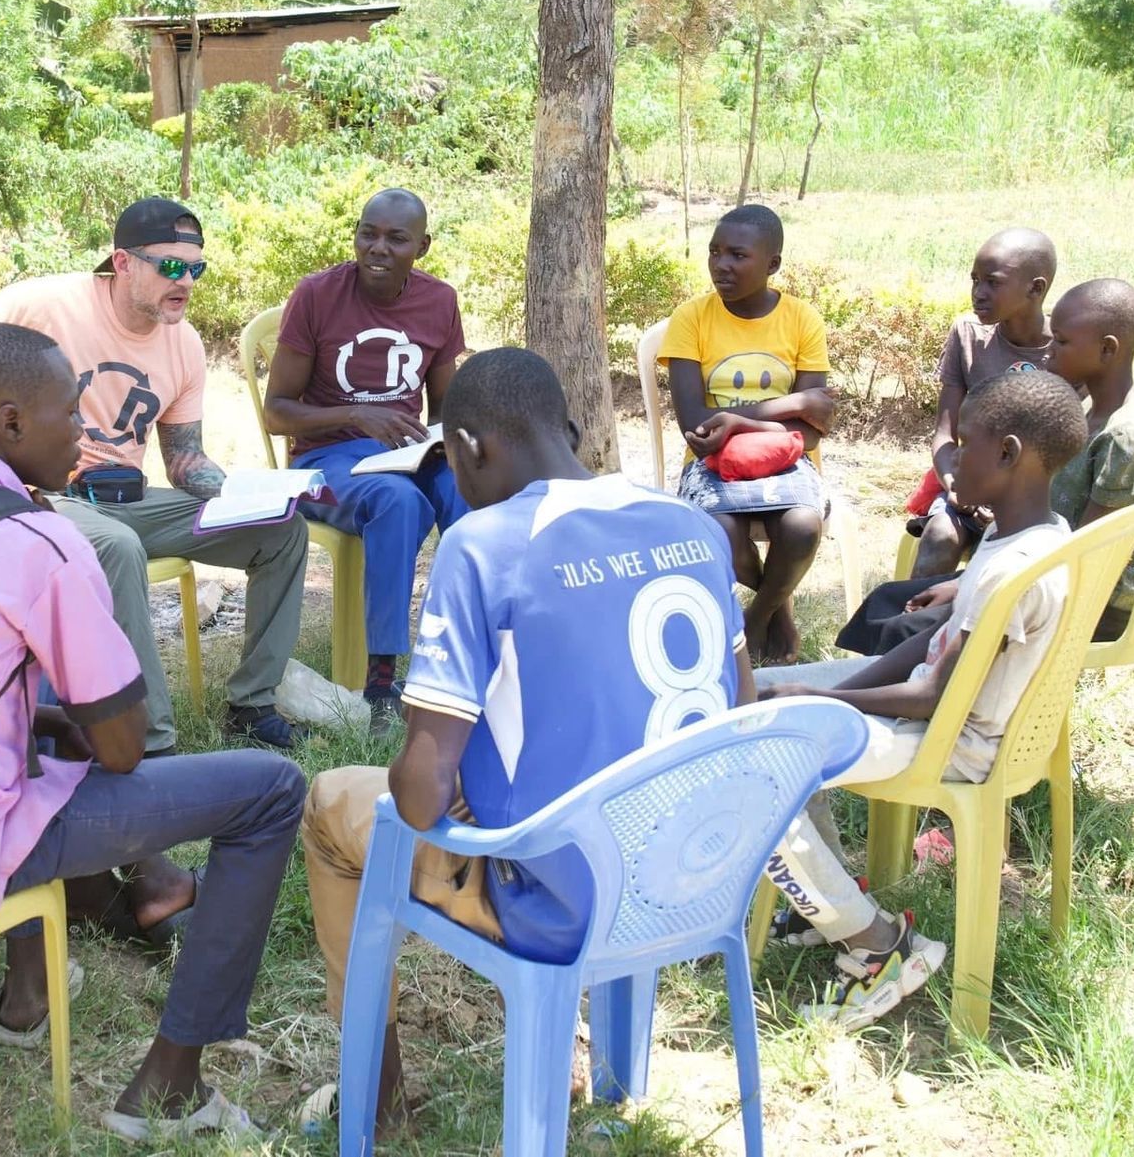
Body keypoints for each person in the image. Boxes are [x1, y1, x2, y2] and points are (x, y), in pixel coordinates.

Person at [0, 322, 306, 1141]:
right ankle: (169, 1087)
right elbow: (124, 749)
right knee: (270, 790)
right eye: (72, 414)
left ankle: (29, 996)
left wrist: (52, 717)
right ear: (12, 422)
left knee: (39, 727)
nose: (88, 434)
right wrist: (87, 717)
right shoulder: (43, 542)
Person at [298, 347, 755, 1137]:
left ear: (470, 447)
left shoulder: (482, 545)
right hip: (694, 873)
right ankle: (617, 1076)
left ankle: (376, 1100)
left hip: (551, 899)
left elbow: (420, 796)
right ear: (569, 428)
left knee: (332, 805)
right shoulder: (696, 525)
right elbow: (740, 704)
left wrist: (439, 736)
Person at [0, 199, 310, 751]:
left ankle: (253, 705)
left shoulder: (182, 342)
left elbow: (184, 458)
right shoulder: (49, 305)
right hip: (42, 494)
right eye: (170, 266)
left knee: (281, 532)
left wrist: (250, 496)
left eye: (195, 268)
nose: (185, 280)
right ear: (123, 262)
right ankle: (153, 741)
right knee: (116, 546)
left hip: (127, 496)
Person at [755, 369, 1087, 1030]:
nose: (950, 460)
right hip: (935, 714)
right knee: (761, 694)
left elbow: (933, 695)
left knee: (757, 755)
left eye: (964, 444)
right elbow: (938, 640)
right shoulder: (1028, 531)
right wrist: (831, 691)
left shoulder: (1009, 571)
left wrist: (827, 703)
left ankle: (878, 944)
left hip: (948, 744)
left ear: (1009, 453)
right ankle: (829, 903)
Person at [837, 279, 1134, 656]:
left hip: (1084, 606)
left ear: (1107, 349)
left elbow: (1088, 558)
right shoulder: (1095, 409)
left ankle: (907, 700)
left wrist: (969, 591)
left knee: (904, 627)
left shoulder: (1129, 439)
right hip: (1041, 578)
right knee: (888, 600)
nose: (1048, 355)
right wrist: (968, 585)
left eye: (1060, 343)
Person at [263, 189, 469, 732]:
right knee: (396, 501)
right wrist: (355, 413)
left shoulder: (439, 301)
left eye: (396, 238)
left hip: (404, 451)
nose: (377, 248)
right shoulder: (316, 295)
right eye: (367, 233)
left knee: (471, 491)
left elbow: (444, 410)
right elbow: (276, 413)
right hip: (327, 458)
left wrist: (446, 446)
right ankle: (382, 684)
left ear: (421, 247)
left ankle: (473, 654)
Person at [658, 203, 835, 664]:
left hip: (786, 460)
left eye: (737, 255)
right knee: (720, 535)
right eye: (715, 252)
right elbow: (696, 425)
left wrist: (737, 418)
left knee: (801, 528)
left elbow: (811, 434)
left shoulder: (801, 319)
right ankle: (780, 612)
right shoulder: (692, 318)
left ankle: (756, 619)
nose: (721, 265)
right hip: (711, 462)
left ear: (772, 264)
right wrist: (792, 403)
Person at [910, 228, 1058, 577]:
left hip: (1036, 502)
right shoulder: (967, 335)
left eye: (993, 282)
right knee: (939, 538)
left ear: (1036, 288)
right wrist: (958, 487)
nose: (979, 293)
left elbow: (1067, 451)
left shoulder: (1064, 351)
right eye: (975, 280)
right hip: (969, 484)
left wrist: (1012, 505)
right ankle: (911, 626)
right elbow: (944, 436)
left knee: (1004, 574)